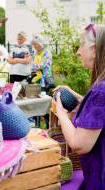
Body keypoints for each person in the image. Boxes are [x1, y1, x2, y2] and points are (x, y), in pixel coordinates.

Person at [54, 24, 105, 190]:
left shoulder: (100, 91)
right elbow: (99, 113)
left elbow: (79, 144)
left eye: (81, 44)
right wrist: (76, 95)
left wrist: (60, 113)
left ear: (95, 49)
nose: (77, 51)